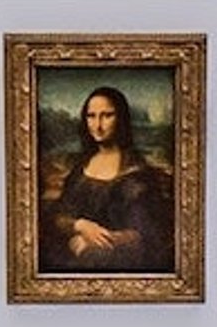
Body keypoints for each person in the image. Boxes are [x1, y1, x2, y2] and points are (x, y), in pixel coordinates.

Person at [38, 86, 174, 275]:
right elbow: (58, 214)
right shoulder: (80, 168)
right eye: (91, 116)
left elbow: (145, 234)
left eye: (107, 115)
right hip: (70, 248)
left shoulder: (136, 174)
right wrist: (80, 226)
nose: (97, 125)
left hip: (114, 258)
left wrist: (97, 239)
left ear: (121, 119)